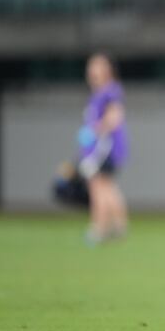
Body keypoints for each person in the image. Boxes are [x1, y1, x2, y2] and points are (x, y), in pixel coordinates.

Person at [56, 53, 130, 245]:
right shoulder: (97, 94)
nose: (92, 70)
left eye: (97, 66)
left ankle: (99, 228)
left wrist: (94, 131)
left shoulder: (110, 92)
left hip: (103, 148)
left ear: (107, 69)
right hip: (99, 148)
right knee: (107, 187)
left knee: (97, 186)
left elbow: (115, 118)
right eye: (91, 65)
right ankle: (118, 227)